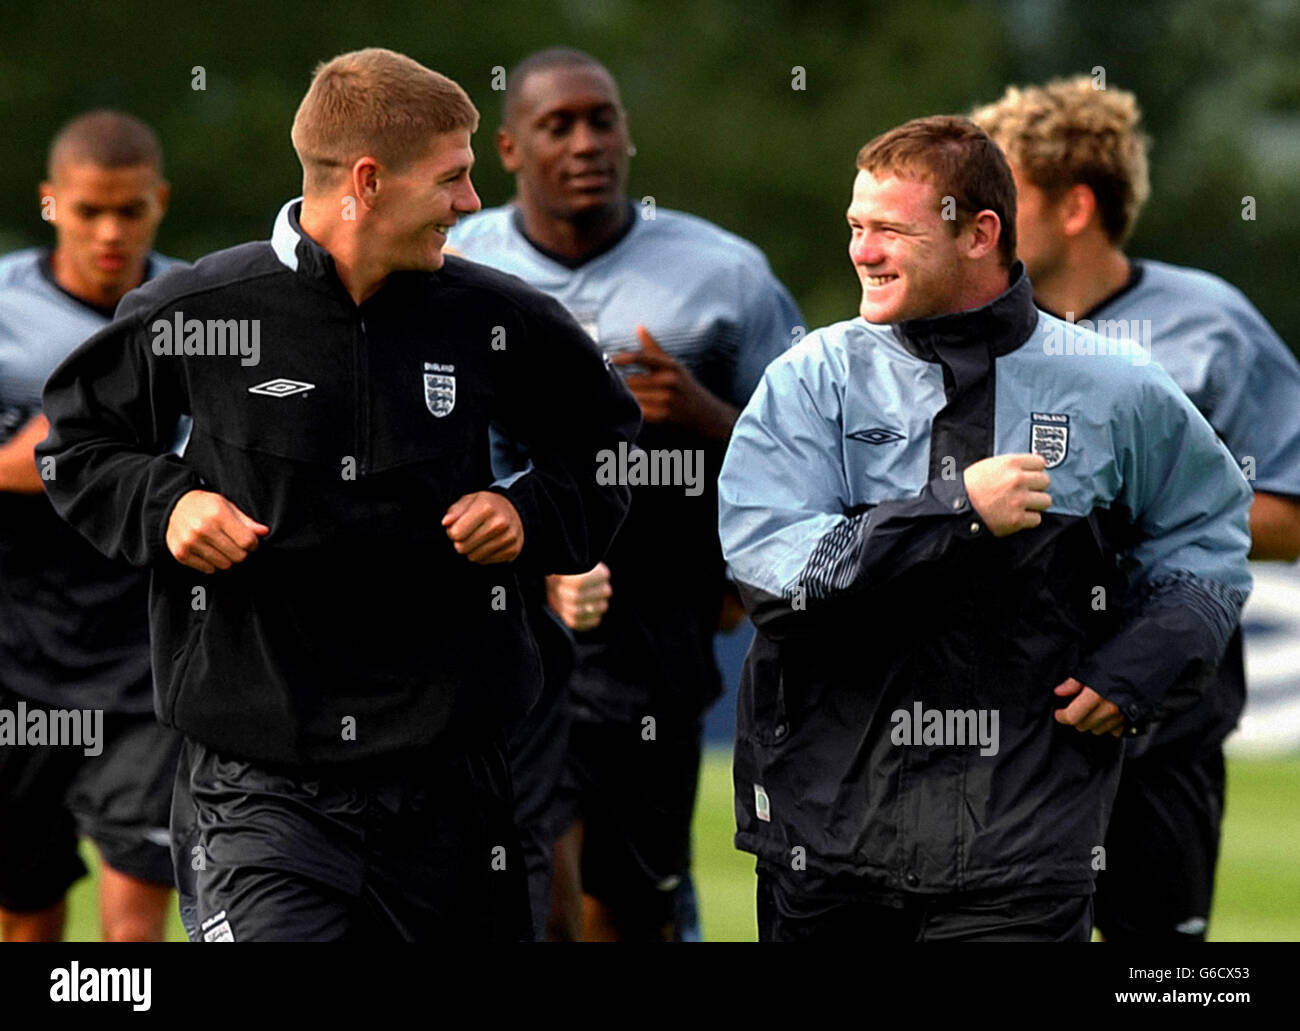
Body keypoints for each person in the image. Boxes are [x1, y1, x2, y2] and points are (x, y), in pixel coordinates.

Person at [37, 48, 639, 942]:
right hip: (259, 790)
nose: (473, 202)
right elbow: (78, 445)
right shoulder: (205, 307)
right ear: (368, 179)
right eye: (454, 177)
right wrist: (167, 505)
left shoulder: (493, 318)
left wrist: (530, 512)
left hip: (454, 794)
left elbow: (608, 447)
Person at [717, 115, 1254, 942]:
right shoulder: (809, 380)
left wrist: (1141, 668)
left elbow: (1208, 534)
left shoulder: (1117, 386)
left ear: (980, 233)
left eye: (890, 229)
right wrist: (956, 511)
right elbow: (777, 579)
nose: (861, 251)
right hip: (823, 842)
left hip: (1025, 847)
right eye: (856, 227)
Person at [449, 47, 802, 941]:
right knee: (535, 891)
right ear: (509, 150)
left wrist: (702, 409)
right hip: (495, 624)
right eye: (556, 125)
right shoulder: (451, 263)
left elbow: (806, 444)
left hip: (657, 630)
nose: (584, 142)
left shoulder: (723, 275)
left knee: (631, 905)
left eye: (601, 119)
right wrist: (533, 567)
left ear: (627, 135)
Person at [972, 77, 1300, 941]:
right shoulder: (966, 326)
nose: (981, 219)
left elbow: (1289, 513)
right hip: (1000, 726)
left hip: (1164, 728)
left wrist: (1128, 511)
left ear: (1076, 205)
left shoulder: (1212, 328)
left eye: (1004, 196)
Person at [0, 110, 179, 942]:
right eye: (87, 211)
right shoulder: (5, 313)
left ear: (159, 202)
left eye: (130, 211)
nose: (111, 233)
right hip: (20, 657)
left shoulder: (202, 311)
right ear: (50, 205)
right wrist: (38, 457)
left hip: (151, 658)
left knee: (133, 918)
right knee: (27, 912)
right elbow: (27, 462)